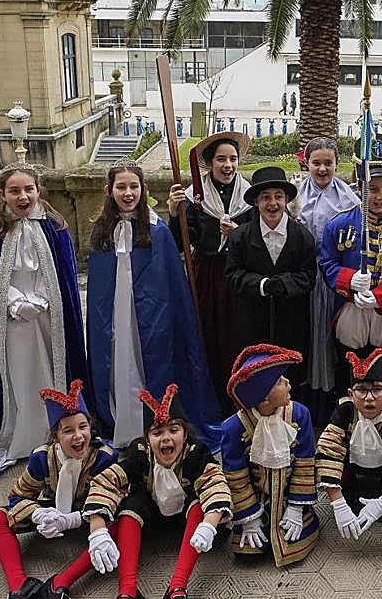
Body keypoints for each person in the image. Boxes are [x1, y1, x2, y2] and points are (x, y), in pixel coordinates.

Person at [86, 163, 221, 448]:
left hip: (148, 315)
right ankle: (123, 418)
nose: (128, 193)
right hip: (115, 314)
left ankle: (154, 420)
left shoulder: (157, 231)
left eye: (134, 186)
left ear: (143, 190)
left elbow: (169, 280)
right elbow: (98, 286)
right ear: (108, 191)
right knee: (118, 361)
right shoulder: (100, 230)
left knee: (151, 361)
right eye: (121, 187)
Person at [82, 384, 231, 599]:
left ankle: (177, 588)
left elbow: (215, 484)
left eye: (174, 430)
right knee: (130, 506)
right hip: (150, 517)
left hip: (187, 521)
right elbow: (106, 482)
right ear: (147, 438)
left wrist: (209, 524)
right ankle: (127, 593)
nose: (166, 438)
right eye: (157, 432)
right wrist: (97, 530)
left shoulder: (196, 453)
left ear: (185, 433)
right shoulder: (139, 453)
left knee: (201, 503)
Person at [0, 166, 85, 473]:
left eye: (28, 190)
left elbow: (61, 275)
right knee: (20, 373)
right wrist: (15, 303)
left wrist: (39, 298)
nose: (22, 196)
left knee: (51, 367)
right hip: (12, 319)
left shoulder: (54, 226)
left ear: (38, 190)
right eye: (14, 191)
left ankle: (57, 430)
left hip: (48, 315)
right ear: (2, 195)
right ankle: (22, 434)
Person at [0, 381, 117, 599]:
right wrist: (38, 514)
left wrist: (72, 521)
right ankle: (19, 586)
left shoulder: (105, 457)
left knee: (118, 524)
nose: (78, 436)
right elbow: (18, 496)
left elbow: (112, 500)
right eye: (68, 430)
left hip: (89, 515)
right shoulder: (41, 457)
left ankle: (61, 582)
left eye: (83, 427)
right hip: (51, 511)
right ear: (55, 436)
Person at [319, 136, 382, 380]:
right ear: (359, 188)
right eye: (372, 189)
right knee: (349, 364)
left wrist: (380, 296)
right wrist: (350, 279)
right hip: (350, 306)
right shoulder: (338, 224)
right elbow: (326, 263)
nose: (380, 197)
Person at [168, 132, 254, 399]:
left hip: (239, 275)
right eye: (221, 159)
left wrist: (237, 234)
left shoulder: (249, 195)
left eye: (232, 159)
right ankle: (210, 394)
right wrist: (174, 214)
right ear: (210, 162)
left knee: (238, 334)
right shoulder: (196, 197)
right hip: (207, 274)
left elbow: (259, 237)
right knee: (209, 334)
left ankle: (240, 392)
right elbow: (181, 243)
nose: (228, 165)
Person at [220, 345, 320, 567]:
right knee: (247, 553)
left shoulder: (299, 414)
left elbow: (305, 462)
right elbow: (236, 476)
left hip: (289, 498)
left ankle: (297, 513)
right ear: (264, 399)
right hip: (256, 502)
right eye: (279, 382)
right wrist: (249, 517)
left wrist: (296, 507)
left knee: (294, 542)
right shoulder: (234, 428)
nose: (288, 384)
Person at [316, 348, 382, 539]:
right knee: (347, 499)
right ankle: (350, 488)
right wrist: (337, 503)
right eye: (362, 390)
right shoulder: (345, 410)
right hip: (352, 463)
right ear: (351, 393)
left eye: (376, 390)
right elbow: (327, 450)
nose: (369, 398)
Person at [226, 166, 317, 385]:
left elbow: (308, 276)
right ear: (256, 202)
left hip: (292, 322)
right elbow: (233, 275)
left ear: (286, 200)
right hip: (252, 322)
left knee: (291, 377)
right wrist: (262, 285)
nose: (272, 203)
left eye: (278, 197)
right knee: (255, 376)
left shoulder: (302, 236)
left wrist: (284, 284)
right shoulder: (240, 236)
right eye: (265, 197)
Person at [294, 137, 363, 422]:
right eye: (316, 163)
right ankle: (304, 398)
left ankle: (333, 400)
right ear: (307, 163)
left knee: (331, 336)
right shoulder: (296, 194)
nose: (322, 169)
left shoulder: (349, 198)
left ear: (337, 164)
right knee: (307, 336)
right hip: (304, 278)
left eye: (328, 163)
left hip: (334, 279)